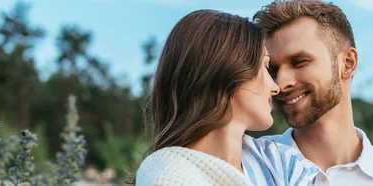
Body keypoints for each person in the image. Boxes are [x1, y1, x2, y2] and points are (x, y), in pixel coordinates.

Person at [254, 0, 373, 185]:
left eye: (300, 61)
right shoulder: (248, 163)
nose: (281, 82)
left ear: (348, 63)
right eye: (272, 69)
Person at [134, 9, 317, 186]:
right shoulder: (167, 177)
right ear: (229, 69)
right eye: (265, 66)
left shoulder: (284, 163)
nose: (276, 87)